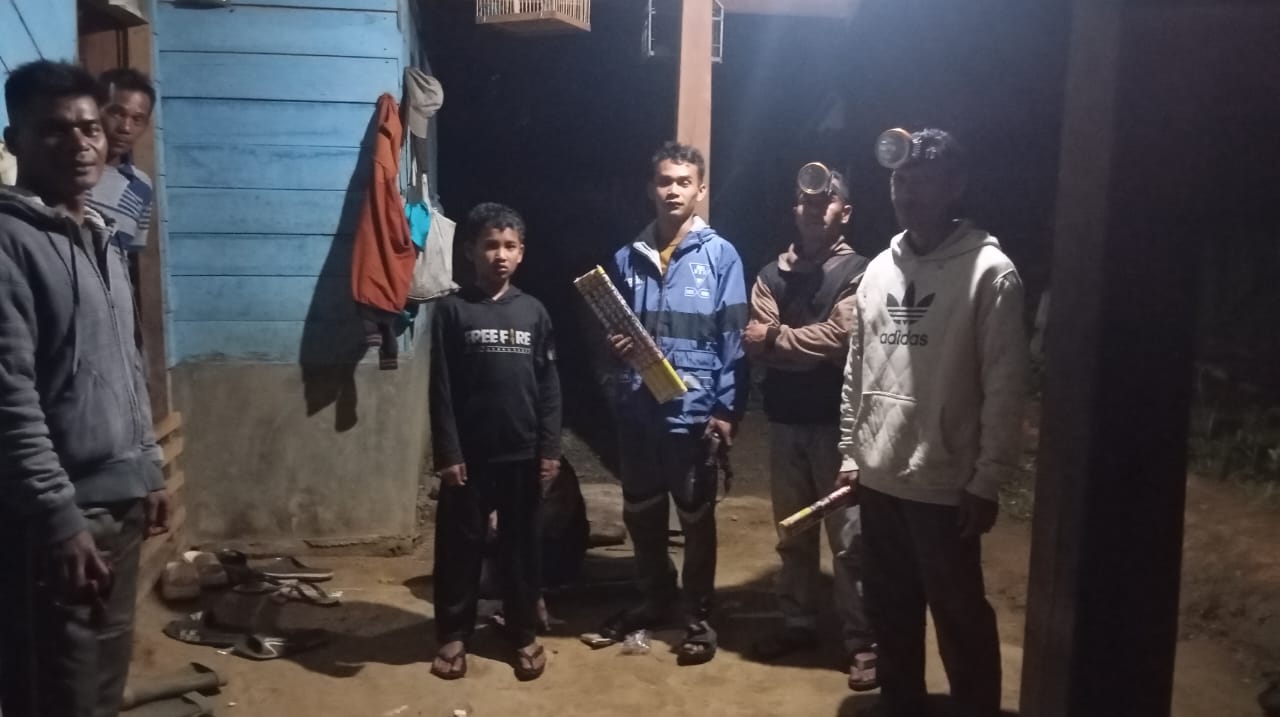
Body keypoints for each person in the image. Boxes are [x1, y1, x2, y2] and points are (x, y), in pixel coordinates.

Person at [837, 129, 1029, 717]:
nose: (907, 192)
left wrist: (987, 479)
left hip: (944, 484)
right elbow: (857, 366)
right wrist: (851, 453)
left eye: (923, 180)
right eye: (900, 180)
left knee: (960, 617)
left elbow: (1005, 384)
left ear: (956, 186)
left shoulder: (990, 272)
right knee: (890, 612)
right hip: (879, 478)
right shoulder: (878, 269)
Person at [0, 59, 169, 717]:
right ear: (14, 142)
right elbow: (10, 398)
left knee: (101, 686)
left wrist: (149, 463)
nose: (80, 144)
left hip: (118, 503)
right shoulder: (10, 243)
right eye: (54, 130)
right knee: (59, 692)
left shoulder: (100, 235)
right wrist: (58, 516)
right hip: (63, 515)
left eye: (90, 128)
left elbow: (126, 361)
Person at [597, 141, 747, 665]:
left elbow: (734, 341)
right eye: (665, 181)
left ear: (700, 190)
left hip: (693, 412)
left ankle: (698, 616)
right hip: (638, 409)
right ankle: (654, 597)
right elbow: (613, 333)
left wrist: (725, 410)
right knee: (641, 510)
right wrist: (616, 349)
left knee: (696, 516)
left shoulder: (722, 256)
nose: (673, 191)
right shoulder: (626, 258)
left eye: (684, 182)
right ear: (651, 188)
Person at [743, 166, 877, 690]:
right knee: (793, 533)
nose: (815, 208)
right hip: (785, 424)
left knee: (850, 542)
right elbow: (755, 343)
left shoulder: (862, 272)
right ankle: (797, 623)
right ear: (794, 210)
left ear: (846, 211)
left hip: (840, 428)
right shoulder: (770, 273)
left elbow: (843, 338)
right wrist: (795, 345)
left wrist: (778, 340)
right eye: (805, 200)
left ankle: (862, 642)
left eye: (827, 199)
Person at [429, 202, 562, 681]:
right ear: (470, 251)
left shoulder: (534, 312)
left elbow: (549, 386)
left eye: (509, 246)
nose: (499, 255)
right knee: (459, 547)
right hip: (470, 457)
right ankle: (453, 633)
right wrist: (448, 452)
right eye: (490, 245)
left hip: (522, 453)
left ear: (521, 252)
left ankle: (522, 631)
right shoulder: (452, 310)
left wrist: (549, 449)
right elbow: (441, 388)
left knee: (521, 547)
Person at [85, 68, 154, 262]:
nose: (125, 128)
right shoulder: (69, 170)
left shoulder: (141, 187)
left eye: (137, 119)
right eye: (117, 113)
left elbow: (129, 257)